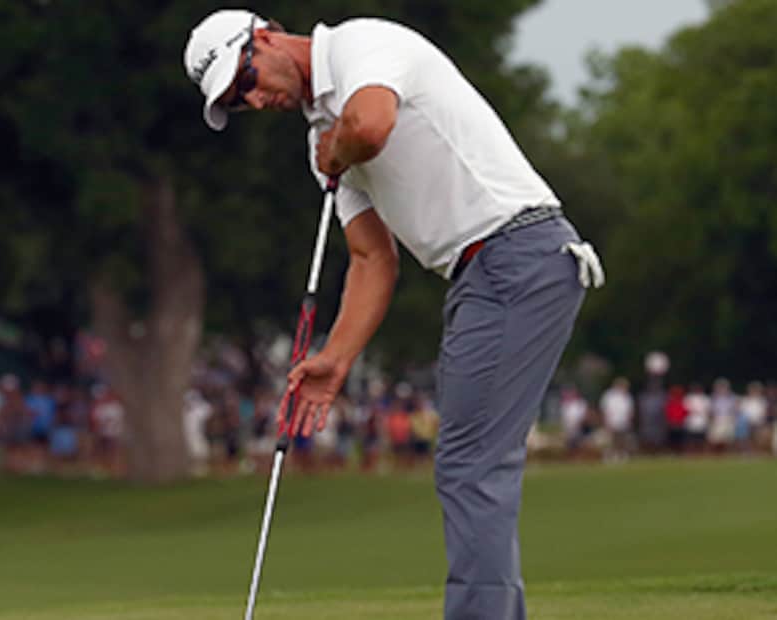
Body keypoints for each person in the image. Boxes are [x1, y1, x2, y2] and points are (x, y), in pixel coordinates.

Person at [183, 11, 604, 618]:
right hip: (479, 273)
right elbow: (372, 259)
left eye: (246, 77)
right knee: (470, 464)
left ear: (267, 36)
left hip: (518, 251)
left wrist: (336, 152)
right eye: (239, 101)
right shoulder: (322, 142)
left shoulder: (362, 45)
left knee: (471, 466)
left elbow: (372, 124)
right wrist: (337, 356)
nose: (256, 98)